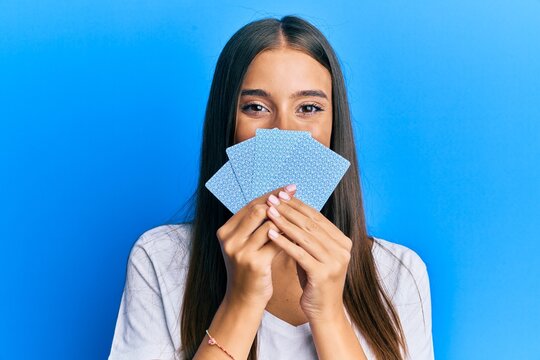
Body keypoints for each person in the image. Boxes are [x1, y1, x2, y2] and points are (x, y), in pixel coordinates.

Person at [108, 15, 434, 360]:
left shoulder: (397, 273)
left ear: (334, 128)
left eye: (309, 108)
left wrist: (329, 314)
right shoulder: (160, 258)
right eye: (256, 107)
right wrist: (242, 301)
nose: (284, 132)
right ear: (227, 125)